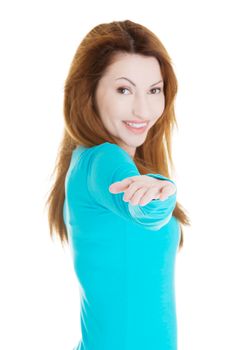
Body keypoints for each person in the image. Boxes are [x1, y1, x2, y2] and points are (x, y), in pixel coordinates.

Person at [45, 19, 191, 350]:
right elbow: (143, 208)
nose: (143, 109)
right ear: (89, 92)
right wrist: (157, 195)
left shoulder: (89, 160)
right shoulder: (103, 161)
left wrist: (154, 189)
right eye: (124, 90)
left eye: (154, 90)